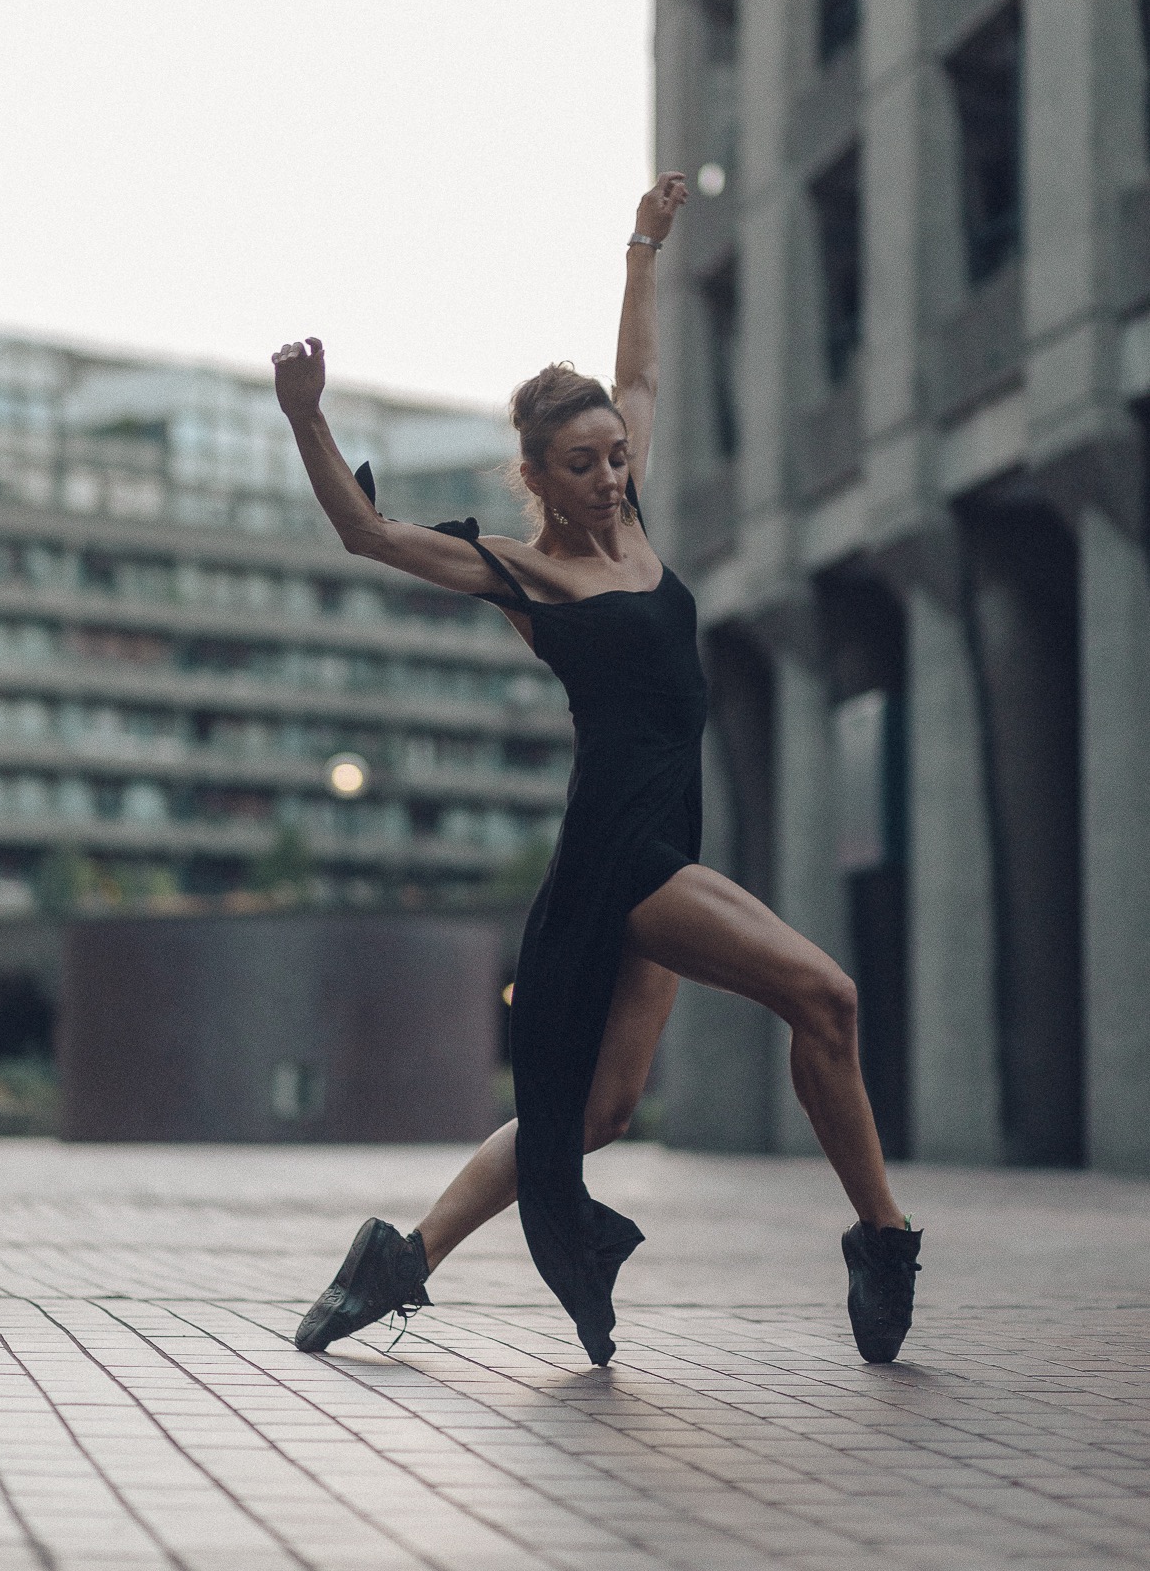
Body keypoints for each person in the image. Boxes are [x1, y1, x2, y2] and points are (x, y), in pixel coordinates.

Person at [271, 174, 921, 1369]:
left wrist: (642, 245)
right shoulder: (530, 577)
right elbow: (367, 535)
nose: (612, 473)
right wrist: (308, 417)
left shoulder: (639, 521)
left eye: (618, 457)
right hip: (625, 857)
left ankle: (400, 1257)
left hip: (663, 837)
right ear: (539, 477)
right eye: (583, 464)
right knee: (825, 996)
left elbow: (645, 378)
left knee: (603, 1109)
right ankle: (883, 1241)